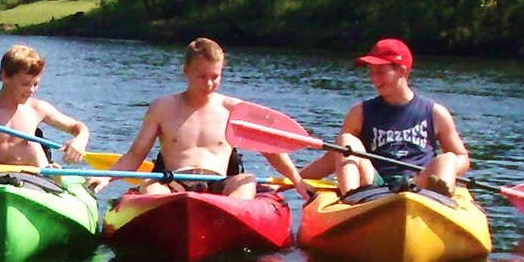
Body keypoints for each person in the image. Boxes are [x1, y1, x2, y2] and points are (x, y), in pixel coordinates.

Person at [97, 37, 307, 199]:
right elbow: (135, 155)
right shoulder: (161, 108)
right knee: (150, 185)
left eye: (215, 77)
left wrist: (297, 180)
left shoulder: (234, 110)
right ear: (186, 71)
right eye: (202, 76)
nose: (208, 84)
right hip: (173, 184)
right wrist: (105, 177)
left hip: (220, 186)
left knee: (247, 180)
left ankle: (231, 220)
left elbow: (269, 148)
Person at [300, 38, 470, 197]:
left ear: (402, 71)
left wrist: (449, 169)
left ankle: (438, 201)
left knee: (448, 158)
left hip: (419, 184)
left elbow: (462, 157)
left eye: (380, 72)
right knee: (346, 140)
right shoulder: (359, 113)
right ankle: (350, 200)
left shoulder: (435, 112)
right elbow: (333, 158)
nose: (374, 79)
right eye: (371, 72)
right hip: (375, 185)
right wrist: (293, 179)